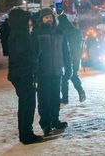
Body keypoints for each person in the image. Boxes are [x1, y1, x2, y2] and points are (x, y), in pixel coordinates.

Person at [7, 8, 43, 145]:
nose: (28, 22)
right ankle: (26, 135)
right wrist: (36, 53)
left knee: (25, 104)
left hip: (19, 73)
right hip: (23, 73)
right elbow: (27, 55)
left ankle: (25, 133)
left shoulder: (16, 33)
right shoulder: (21, 35)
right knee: (27, 105)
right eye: (26, 20)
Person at [33, 8, 70, 136]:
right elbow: (33, 54)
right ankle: (45, 124)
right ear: (42, 19)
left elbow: (66, 51)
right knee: (44, 100)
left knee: (55, 97)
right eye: (46, 17)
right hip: (43, 72)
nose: (49, 19)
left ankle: (55, 120)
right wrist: (35, 71)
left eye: (50, 17)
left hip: (57, 71)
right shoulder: (37, 33)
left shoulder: (60, 32)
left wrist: (68, 67)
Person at [57, 14, 86, 104]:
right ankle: (81, 91)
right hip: (76, 58)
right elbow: (81, 45)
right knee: (74, 76)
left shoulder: (61, 32)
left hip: (66, 59)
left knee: (64, 78)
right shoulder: (77, 31)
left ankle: (65, 98)